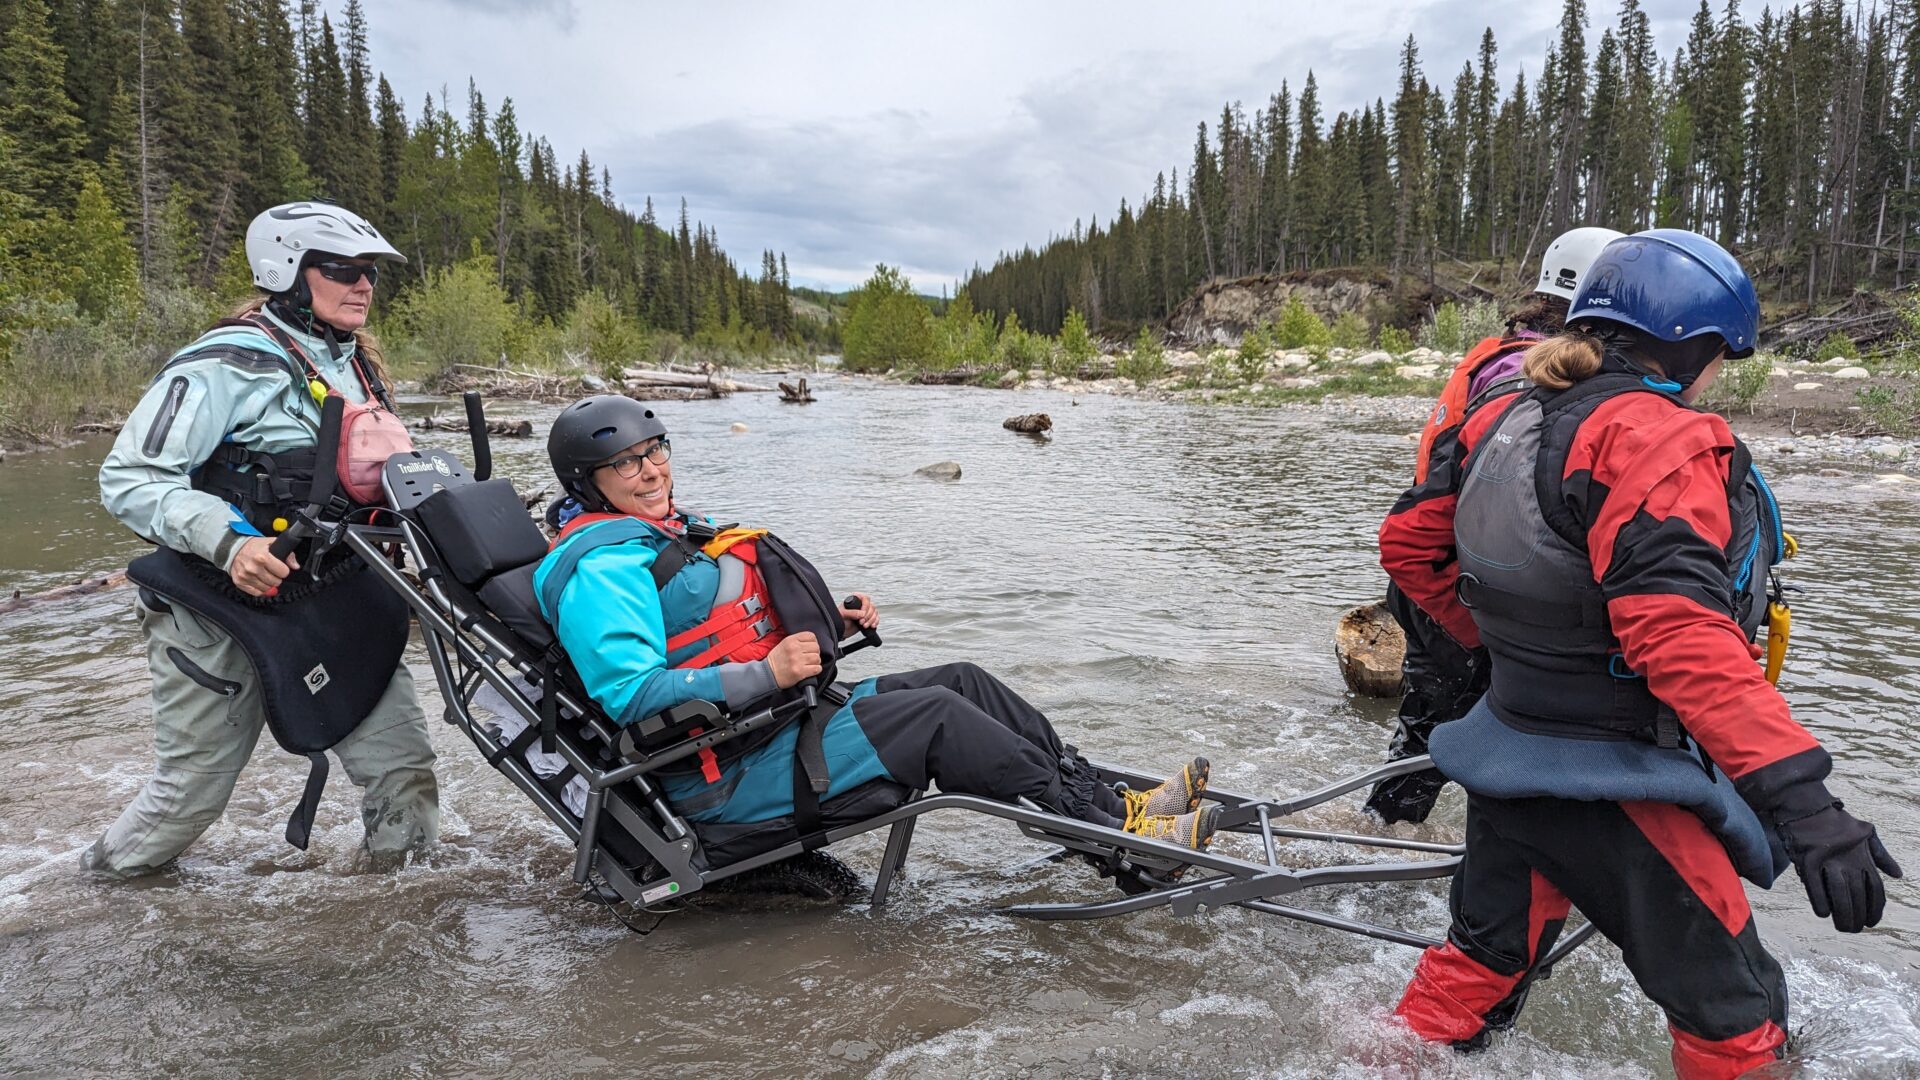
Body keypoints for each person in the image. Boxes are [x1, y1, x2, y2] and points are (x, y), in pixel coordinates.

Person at [1381, 229, 1901, 1078]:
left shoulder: (1503, 413)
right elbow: (1678, 634)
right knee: (1739, 1020)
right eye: (1719, 360)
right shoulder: (1660, 439)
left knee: (1476, 970)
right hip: (1616, 780)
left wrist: (1504, 655)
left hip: (1506, 754)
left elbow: (1410, 547)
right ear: (1696, 346)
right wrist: (1806, 803)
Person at [534, 395, 1218, 851]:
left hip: (771, 725)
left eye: (657, 450)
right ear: (586, 480)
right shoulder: (602, 571)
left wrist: (827, 619)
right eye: (626, 462)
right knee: (936, 717)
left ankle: (1111, 803)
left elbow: (710, 622)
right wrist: (768, 671)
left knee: (963, 680)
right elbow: (630, 697)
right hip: (725, 778)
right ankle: (1125, 846)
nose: (651, 470)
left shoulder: (651, 533)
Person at [86, 202, 439, 875]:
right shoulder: (228, 360)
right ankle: (89, 893)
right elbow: (130, 477)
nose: (363, 284)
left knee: (406, 775)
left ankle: (398, 927)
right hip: (216, 603)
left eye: (369, 272)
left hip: (335, 594)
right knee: (190, 797)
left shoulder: (354, 364)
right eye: (342, 269)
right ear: (290, 271)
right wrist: (231, 541)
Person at [1366, 226, 1623, 824]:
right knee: (1437, 736)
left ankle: (1390, 836)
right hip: (1460, 588)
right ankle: (1388, 849)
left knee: (1428, 732)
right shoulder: (1540, 377)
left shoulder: (1504, 354)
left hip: (1435, 577)